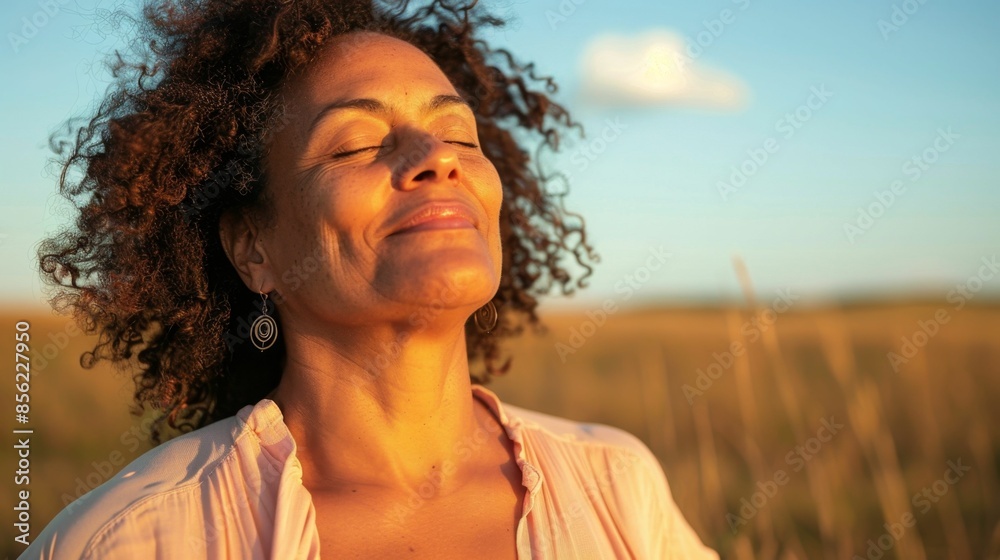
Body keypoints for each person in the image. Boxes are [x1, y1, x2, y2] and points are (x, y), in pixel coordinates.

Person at [25, 0, 719, 558]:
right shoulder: (134, 538)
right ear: (252, 246)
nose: (435, 159)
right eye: (356, 143)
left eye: (460, 137)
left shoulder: (617, 486)